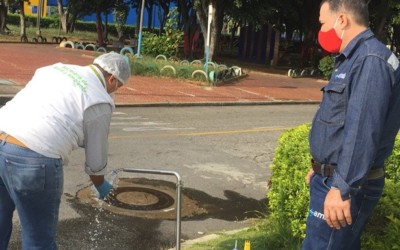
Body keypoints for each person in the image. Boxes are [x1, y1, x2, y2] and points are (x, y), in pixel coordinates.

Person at [0, 52, 131, 249]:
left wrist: (72, 132)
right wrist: (101, 185)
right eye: (118, 87)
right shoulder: (100, 100)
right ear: (112, 79)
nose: (115, 91)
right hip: (34, 158)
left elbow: (49, 106)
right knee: (39, 239)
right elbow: (96, 161)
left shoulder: (57, 68)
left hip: (2, 134)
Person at [303, 0, 400, 249]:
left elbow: (362, 132)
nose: (322, 30)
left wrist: (342, 187)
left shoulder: (369, 60)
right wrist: (322, 166)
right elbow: (341, 122)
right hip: (332, 178)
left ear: (342, 20)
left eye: (323, 23)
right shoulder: (353, 58)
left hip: (345, 185)